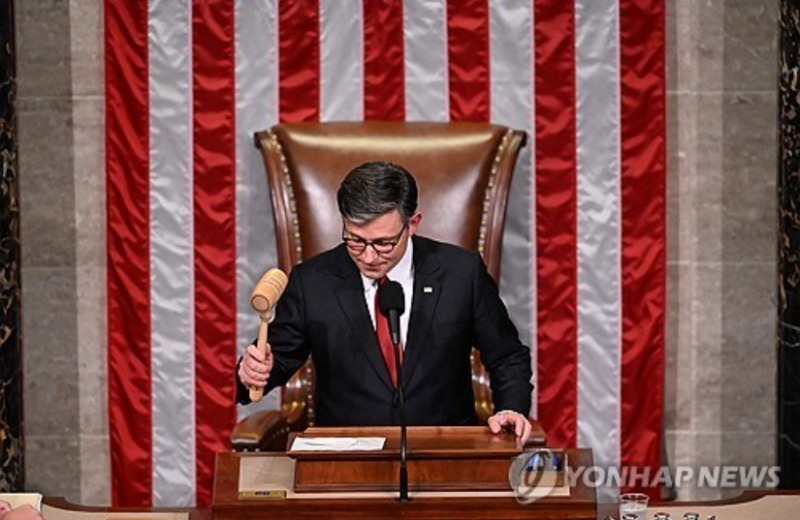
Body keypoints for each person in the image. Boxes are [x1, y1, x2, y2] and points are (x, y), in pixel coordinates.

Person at [237, 161, 534, 443]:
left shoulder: (461, 273)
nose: (368, 257)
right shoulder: (312, 281)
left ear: (412, 223)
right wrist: (253, 372)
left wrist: (511, 408)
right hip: (346, 457)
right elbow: (276, 360)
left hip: (442, 449)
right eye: (355, 240)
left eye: (383, 243)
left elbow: (507, 356)